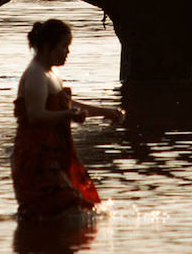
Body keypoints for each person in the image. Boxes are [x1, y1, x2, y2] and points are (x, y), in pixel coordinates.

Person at [11, 18, 124, 220]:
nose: (67, 52)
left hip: (54, 154)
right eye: (64, 46)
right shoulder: (36, 75)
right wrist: (68, 115)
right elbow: (35, 115)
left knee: (76, 208)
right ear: (47, 47)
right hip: (36, 157)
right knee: (65, 207)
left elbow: (67, 105)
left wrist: (105, 111)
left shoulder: (51, 73)